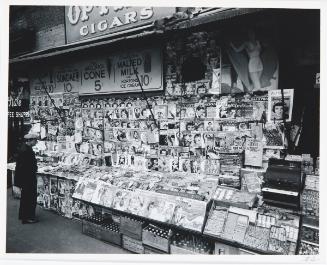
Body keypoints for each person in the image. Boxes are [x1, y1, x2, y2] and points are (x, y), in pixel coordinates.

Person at [15, 133, 39, 224]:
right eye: (35, 140)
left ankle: (25, 216)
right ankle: (28, 217)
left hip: (27, 178)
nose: (36, 142)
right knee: (30, 198)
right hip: (28, 178)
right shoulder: (26, 151)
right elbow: (22, 167)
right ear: (30, 140)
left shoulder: (25, 148)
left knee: (26, 198)